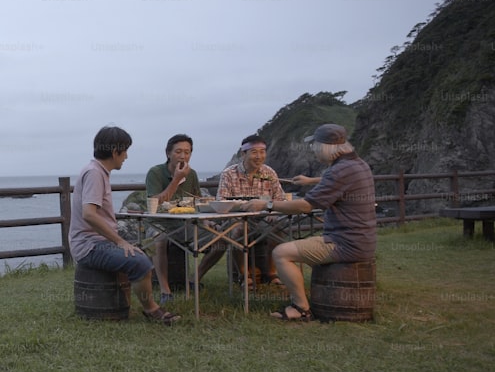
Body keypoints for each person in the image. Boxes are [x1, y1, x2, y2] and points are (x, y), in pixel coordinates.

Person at [241, 124, 377, 322]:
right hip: (362, 239)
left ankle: (301, 307)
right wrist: (311, 181)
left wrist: (267, 204)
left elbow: (306, 206)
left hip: (345, 243)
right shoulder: (357, 164)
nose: (313, 149)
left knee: (281, 252)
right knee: (292, 244)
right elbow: (336, 181)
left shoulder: (339, 171)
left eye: (315, 145)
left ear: (325, 146)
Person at [69, 125, 181, 325]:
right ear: (115, 151)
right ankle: (151, 310)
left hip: (96, 240)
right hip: (89, 245)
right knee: (140, 262)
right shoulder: (95, 174)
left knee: (144, 248)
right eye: (125, 151)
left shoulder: (97, 171)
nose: (126, 156)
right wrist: (120, 242)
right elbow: (89, 215)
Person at [145, 134, 225, 303]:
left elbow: (196, 202)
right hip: (160, 223)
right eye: (178, 152)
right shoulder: (155, 172)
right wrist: (176, 179)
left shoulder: (192, 174)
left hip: (186, 224)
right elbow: (155, 203)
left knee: (221, 239)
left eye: (187, 152)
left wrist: (205, 220)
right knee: (159, 240)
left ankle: (194, 279)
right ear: (168, 153)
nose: (183, 156)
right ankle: (166, 291)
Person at [216, 134, 287, 286]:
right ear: (244, 153)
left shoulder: (269, 172)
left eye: (262, 152)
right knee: (238, 229)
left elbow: (280, 199)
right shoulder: (229, 174)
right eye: (254, 152)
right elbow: (221, 202)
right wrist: (240, 211)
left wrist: (272, 212)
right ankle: (244, 275)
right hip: (236, 219)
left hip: (263, 218)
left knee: (278, 227)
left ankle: (271, 273)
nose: (259, 156)